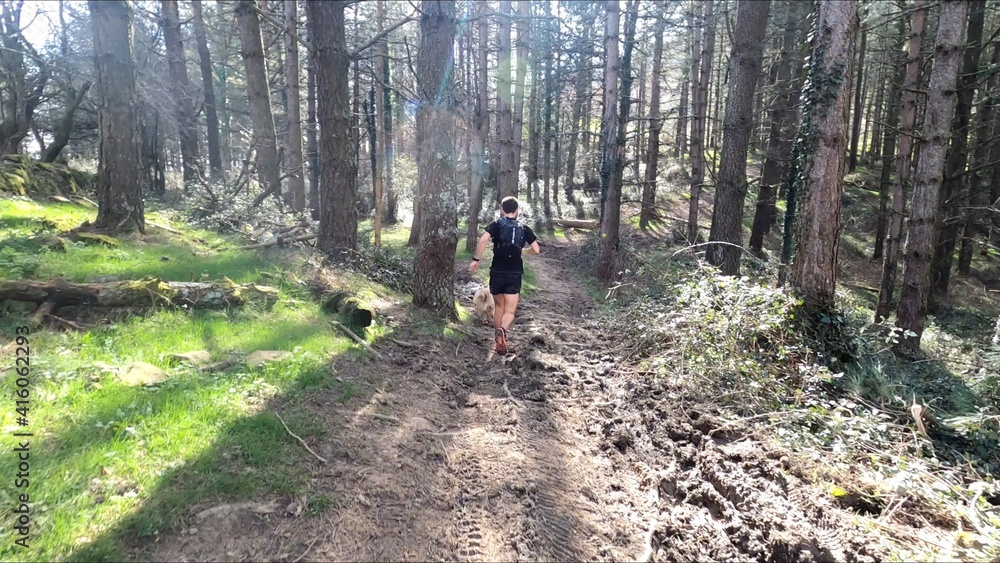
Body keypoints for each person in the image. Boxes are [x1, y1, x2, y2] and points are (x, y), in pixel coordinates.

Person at [469, 196, 540, 354]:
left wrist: (476, 260)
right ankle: (502, 330)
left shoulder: (496, 225)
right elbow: (536, 249)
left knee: (499, 307)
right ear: (517, 211)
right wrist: (524, 251)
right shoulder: (524, 227)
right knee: (510, 311)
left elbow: (483, 240)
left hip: (497, 271)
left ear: (502, 210)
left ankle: (497, 341)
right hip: (514, 272)